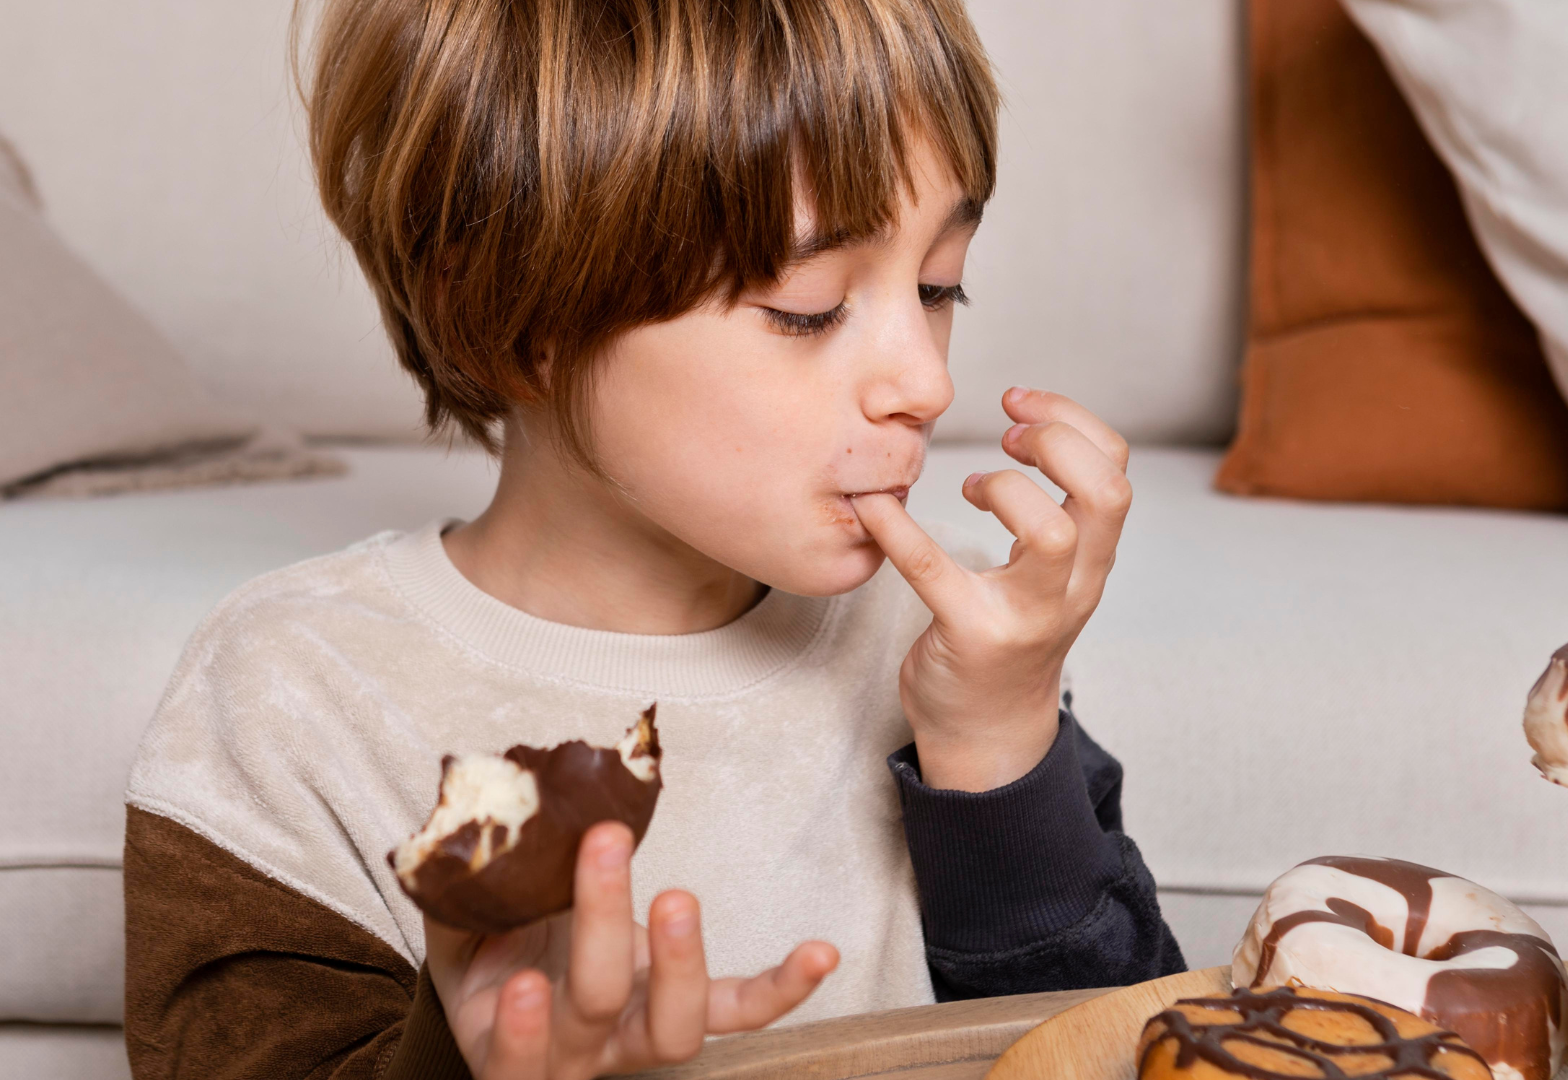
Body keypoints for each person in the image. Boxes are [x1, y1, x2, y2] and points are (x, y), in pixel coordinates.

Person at [121, 1, 1186, 1077]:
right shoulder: (292, 700)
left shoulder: (942, 641)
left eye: (938, 284)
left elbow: (1126, 1047)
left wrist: (1000, 756)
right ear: (515, 313)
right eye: (809, 307)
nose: (926, 381)